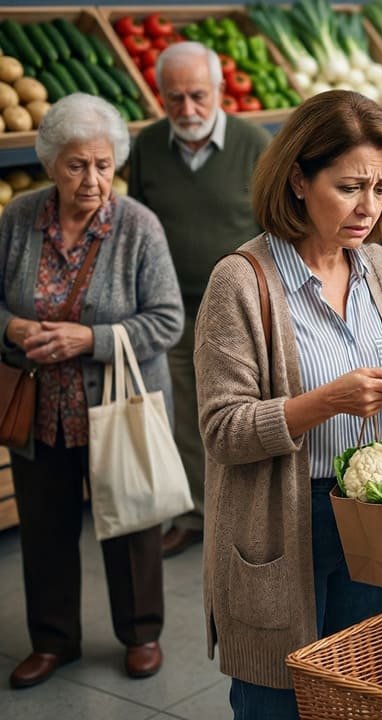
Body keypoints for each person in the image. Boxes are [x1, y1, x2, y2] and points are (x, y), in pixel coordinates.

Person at [194, 90, 382, 719]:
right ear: (297, 181)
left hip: (370, 514)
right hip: (281, 522)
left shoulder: (379, 269)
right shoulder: (241, 282)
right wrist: (322, 403)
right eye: (349, 187)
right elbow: (222, 431)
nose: (370, 208)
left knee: (361, 695)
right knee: (275, 701)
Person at [1, 94, 183, 688]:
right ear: (51, 162)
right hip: (40, 411)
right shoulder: (19, 220)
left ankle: (141, 633)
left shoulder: (138, 227)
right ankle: (53, 641)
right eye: (77, 165)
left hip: (119, 406)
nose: (93, 179)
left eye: (104, 164)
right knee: (45, 529)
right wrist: (11, 326)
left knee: (132, 527)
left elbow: (166, 320)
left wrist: (90, 338)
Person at [128, 41, 271, 559]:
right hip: (170, 310)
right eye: (174, 99)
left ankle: (249, 515)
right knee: (185, 415)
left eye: (197, 96)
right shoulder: (146, 148)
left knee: (243, 415)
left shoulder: (254, 143)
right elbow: (136, 226)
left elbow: (274, 226)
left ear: (218, 91)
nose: (187, 110)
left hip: (242, 312)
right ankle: (195, 515)